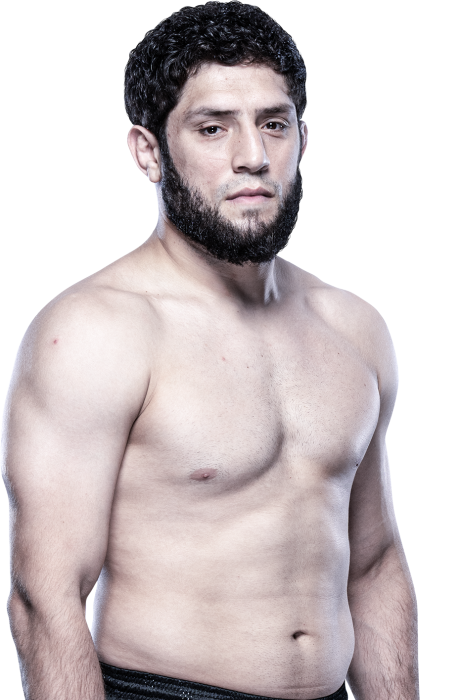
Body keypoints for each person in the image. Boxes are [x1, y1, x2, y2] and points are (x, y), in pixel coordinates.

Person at [2, 2, 419, 699]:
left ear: (303, 139)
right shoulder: (96, 331)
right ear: (148, 151)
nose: (252, 155)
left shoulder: (353, 327)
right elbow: (45, 599)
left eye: (273, 124)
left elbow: (373, 565)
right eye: (213, 127)